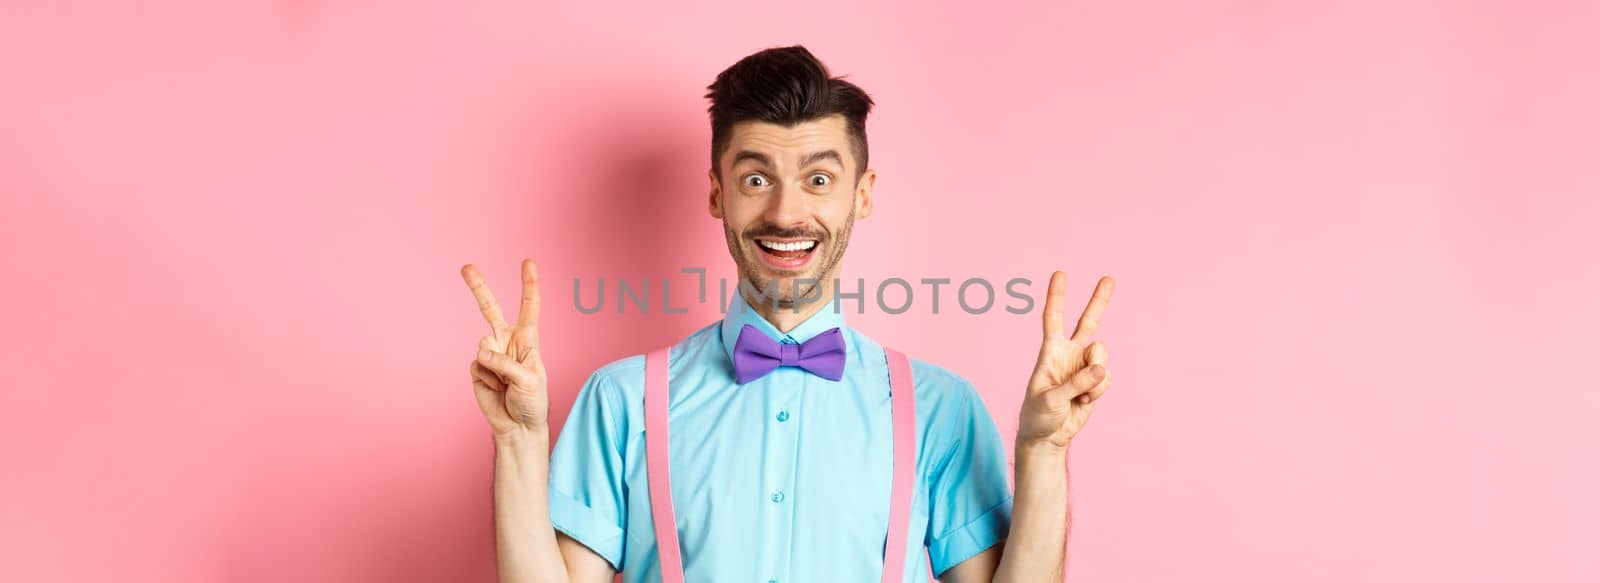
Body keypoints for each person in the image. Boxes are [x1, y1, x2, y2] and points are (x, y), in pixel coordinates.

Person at [461, 45, 1116, 582]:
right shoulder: (621, 400)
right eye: (755, 179)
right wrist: (518, 443)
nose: (784, 213)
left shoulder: (942, 407)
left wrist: (1044, 451)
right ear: (717, 193)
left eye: (819, 179)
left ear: (863, 195)